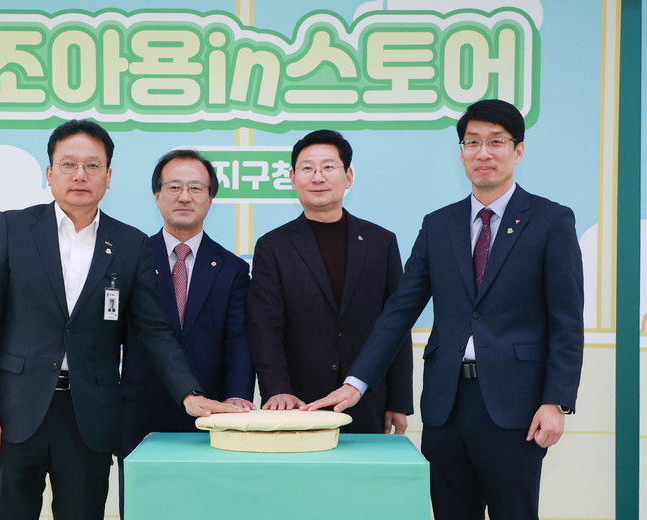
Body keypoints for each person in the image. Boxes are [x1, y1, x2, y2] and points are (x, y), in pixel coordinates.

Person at [305, 100, 584, 520]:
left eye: (496, 142)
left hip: (517, 407)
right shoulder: (439, 224)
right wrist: (356, 383)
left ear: (518, 150)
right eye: (472, 142)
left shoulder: (550, 220)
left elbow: (567, 320)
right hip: (446, 405)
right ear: (462, 152)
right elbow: (400, 310)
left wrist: (556, 401)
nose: (483, 153)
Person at [0, 120, 243, 520]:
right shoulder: (13, 228)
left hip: (89, 417)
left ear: (108, 177)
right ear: (50, 173)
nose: (80, 175)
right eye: (69, 164)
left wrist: (189, 394)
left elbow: (152, 330)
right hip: (15, 412)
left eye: (92, 166)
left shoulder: (129, 244)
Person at [118, 148, 255, 516]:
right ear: (157, 195)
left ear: (210, 198)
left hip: (211, 415)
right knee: (142, 509)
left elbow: (239, 340)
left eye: (196, 188)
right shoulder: (130, 259)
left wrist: (238, 397)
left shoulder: (231, 268)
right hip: (140, 414)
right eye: (174, 186)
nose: (184, 196)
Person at [248, 129, 413, 434]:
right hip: (297, 402)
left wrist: (399, 399)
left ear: (348, 176)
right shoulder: (273, 246)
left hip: (366, 397)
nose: (318, 177)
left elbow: (397, 324)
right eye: (307, 168)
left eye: (328, 167)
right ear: (293, 178)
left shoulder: (381, 242)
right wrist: (277, 390)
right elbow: (265, 326)